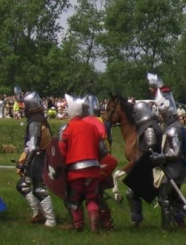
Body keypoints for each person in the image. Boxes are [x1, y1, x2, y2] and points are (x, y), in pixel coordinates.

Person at [59, 96, 106, 232]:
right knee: (92, 198)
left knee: (73, 198)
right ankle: (93, 222)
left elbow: (61, 149)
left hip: (76, 170)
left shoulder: (69, 128)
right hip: (93, 168)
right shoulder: (92, 126)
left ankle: (78, 224)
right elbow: (102, 149)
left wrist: (62, 165)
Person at [150, 82, 186, 230]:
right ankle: (182, 224)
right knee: (175, 200)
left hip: (173, 168)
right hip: (175, 168)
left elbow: (176, 151)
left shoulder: (173, 130)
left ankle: (165, 228)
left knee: (164, 198)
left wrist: (161, 157)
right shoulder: (175, 127)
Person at [16, 91, 56, 227]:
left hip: (39, 158)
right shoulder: (40, 119)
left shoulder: (35, 122)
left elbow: (33, 147)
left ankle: (50, 220)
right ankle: (38, 213)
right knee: (23, 186)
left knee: (39, 189)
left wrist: (25, 165)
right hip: (39, 157)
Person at [83, 93, 117, 231]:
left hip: (91, 161)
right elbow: (109, 143)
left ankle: (100, 221)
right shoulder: (105, 123)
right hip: (104, 161)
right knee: (98, 192)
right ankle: (105, 220)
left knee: (92, 193)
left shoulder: (87, 122)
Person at [127, 99, 163, 227]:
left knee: (131, 192)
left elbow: (151, 149)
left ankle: (136, 220)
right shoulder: (150, 124)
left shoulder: (148, 128)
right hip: (150, 165)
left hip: (152, 167)